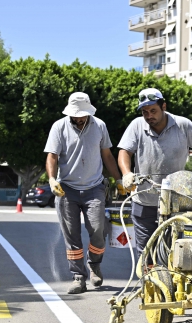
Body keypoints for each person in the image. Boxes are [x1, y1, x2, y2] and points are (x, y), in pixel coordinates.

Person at [117, 88, 192, 263]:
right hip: (144, 199)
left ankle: (171, 284)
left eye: (153, 111)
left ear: (164, 106)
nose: (149, 116)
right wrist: (127, 174)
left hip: (175, 202)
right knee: (146, 252)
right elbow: (124, 152)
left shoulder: (183, 125)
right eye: (145, 112)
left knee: (174, 250)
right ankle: (147, 285)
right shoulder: (136, 126)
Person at [44, 92, 125, 294]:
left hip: (94, 187)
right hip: (67, 189)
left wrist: (119, 179)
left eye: (82, 116)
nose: (79, 119)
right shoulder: (59, 127)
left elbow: (107, 155)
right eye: (76, 116)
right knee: (71, 236)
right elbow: (52, 156)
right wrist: (52, 179)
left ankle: (94, 264)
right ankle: (78, 277)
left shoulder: (100, 126)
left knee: (98, 230)